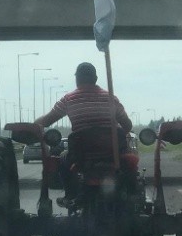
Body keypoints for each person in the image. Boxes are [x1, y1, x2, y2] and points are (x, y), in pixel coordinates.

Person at [34, 62, 133, 207]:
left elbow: (46, 120)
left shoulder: (69, 99)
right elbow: (127, 125)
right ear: (96, 78)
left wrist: (34, 125)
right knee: (130, 165)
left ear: (77, 79)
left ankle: (71, 194)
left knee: (62, 160)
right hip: (112, 156)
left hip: (82, 158)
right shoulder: (111, 98)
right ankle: (131, 194)